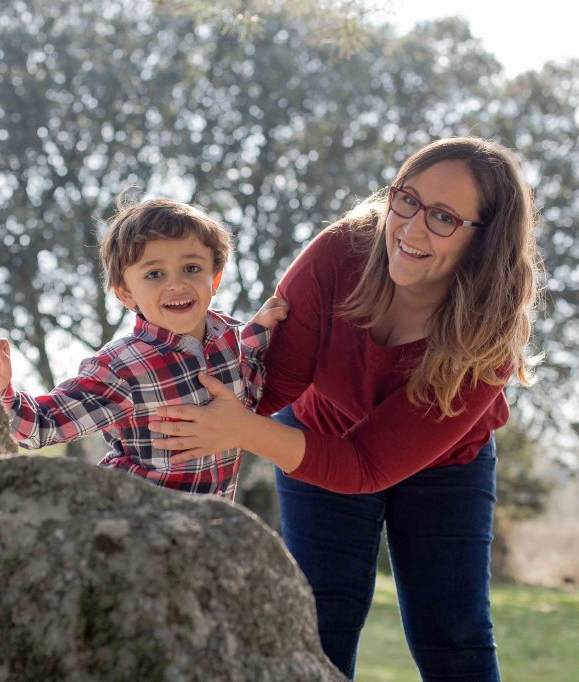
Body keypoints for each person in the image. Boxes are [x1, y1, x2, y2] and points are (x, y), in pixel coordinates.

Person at [149, 137, 543, 679]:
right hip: (318, 432)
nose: (411, 227)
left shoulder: (488, 335)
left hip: (446, 464)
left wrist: (242, 429)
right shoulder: (339, 255)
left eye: (444, 217)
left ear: (485, 240)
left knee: (452, 633)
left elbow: (368, 463)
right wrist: (175, 368)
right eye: (407, 199)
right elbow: (271, 386)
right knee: (319, 625)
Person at [0, 194, 287, 499]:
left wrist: (260, 330)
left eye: (191, 268)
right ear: (125, 294)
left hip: (207, 528)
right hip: (134, 522)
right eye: (154, 274)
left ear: (214, 280)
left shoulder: (232, 340)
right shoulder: (121, 368)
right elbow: (42, 426)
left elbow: (250, 374)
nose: (176, 283)